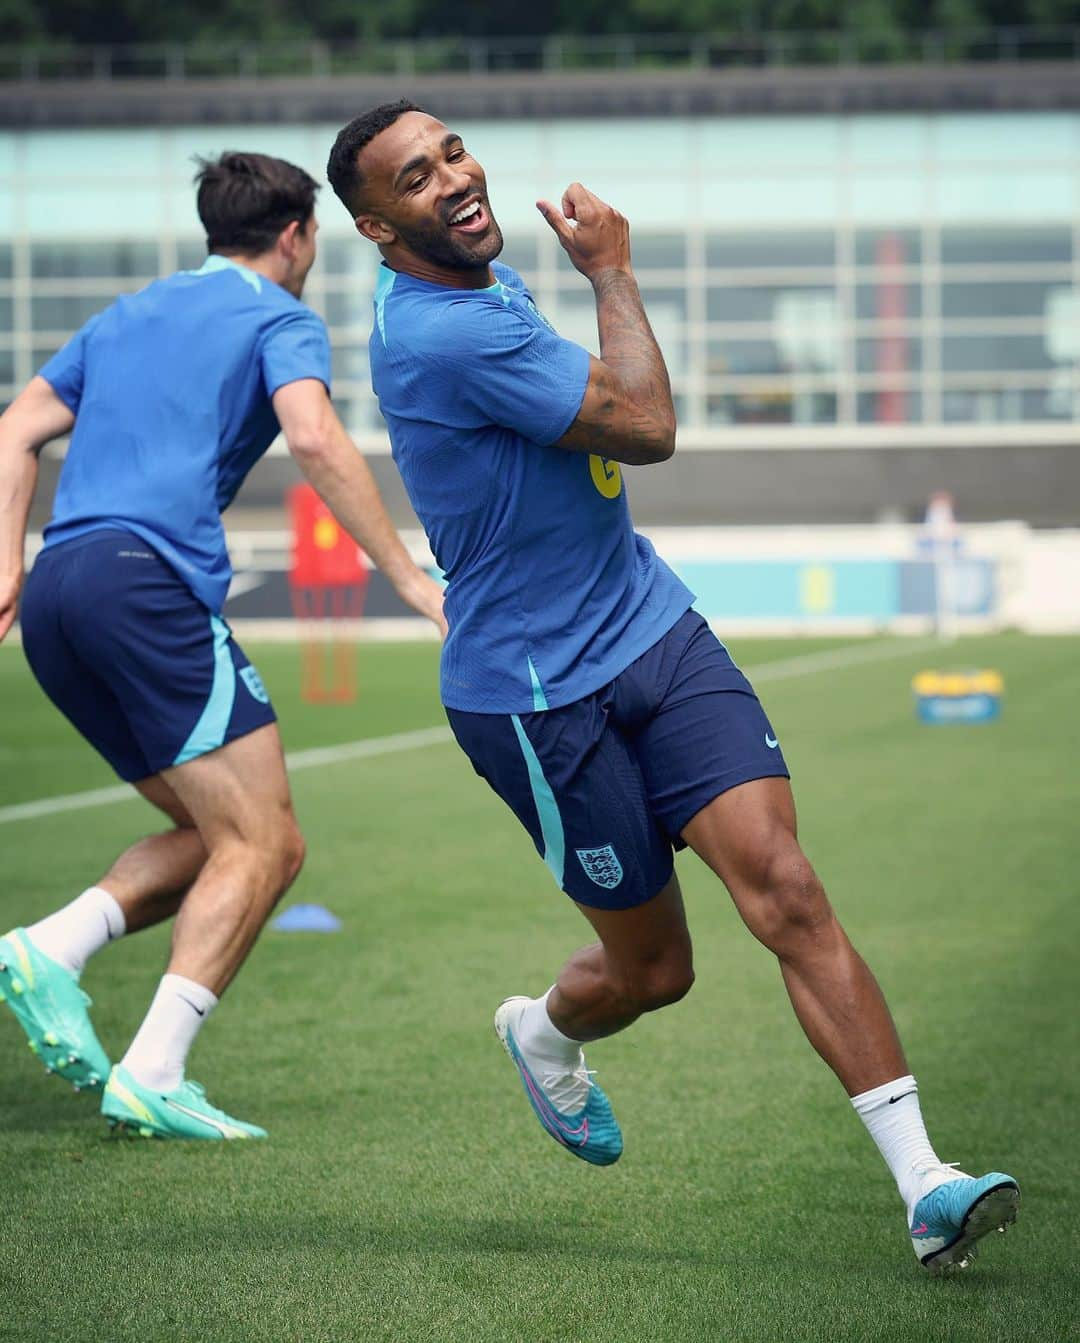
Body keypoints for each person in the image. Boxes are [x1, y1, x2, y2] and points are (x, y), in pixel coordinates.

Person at [324, 100, 1019, 1272]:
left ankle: (926, 1183)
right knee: (657, 972)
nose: (451, 177)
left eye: (453, 151)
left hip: (653, 627)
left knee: (788, 889)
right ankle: (542, 1030)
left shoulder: (478, 282)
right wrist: (615, 272)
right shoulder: (439, 333)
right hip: (535, 695)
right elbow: (644, 421)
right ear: (375, 226)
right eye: (415, 176)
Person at [0, 150, 445, 1141]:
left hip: (62, 589)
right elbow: (317, 440)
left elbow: (13, 429)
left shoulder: (125, 315)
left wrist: (6, 564)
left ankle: (54, 944)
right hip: (146, 587)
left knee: (217, 834)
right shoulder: (280, 318)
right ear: (295, 237)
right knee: (270, 840)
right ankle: (151, 1064)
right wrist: (411, 579)